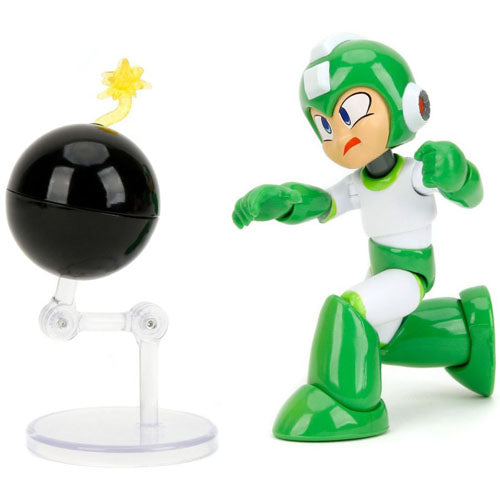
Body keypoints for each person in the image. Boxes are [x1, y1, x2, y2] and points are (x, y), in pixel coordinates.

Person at [232, 35, 495, 441]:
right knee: (381, 339)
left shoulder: (415, 174)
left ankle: (350, 405)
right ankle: (467, 337)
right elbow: (322, 202)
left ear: (406, 106)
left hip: (410, 276)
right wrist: (283, 200)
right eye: (325, 126)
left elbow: (471, 194)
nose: (340, 136)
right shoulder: (359, 183)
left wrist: (456, 172)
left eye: (351, 112)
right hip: (381, 273)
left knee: (350, 310)